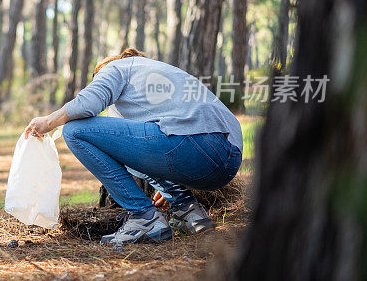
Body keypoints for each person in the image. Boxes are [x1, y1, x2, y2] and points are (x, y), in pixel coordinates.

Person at [24, 48, 242, 245]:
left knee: (75, 131)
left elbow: (87, 104)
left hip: (191, 145)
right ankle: (188, 211)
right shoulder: (158, 71)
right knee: (130, 142)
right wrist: (167, 187)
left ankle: (144, 217)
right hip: (229, 158)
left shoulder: (115, 68)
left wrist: (48, 122)